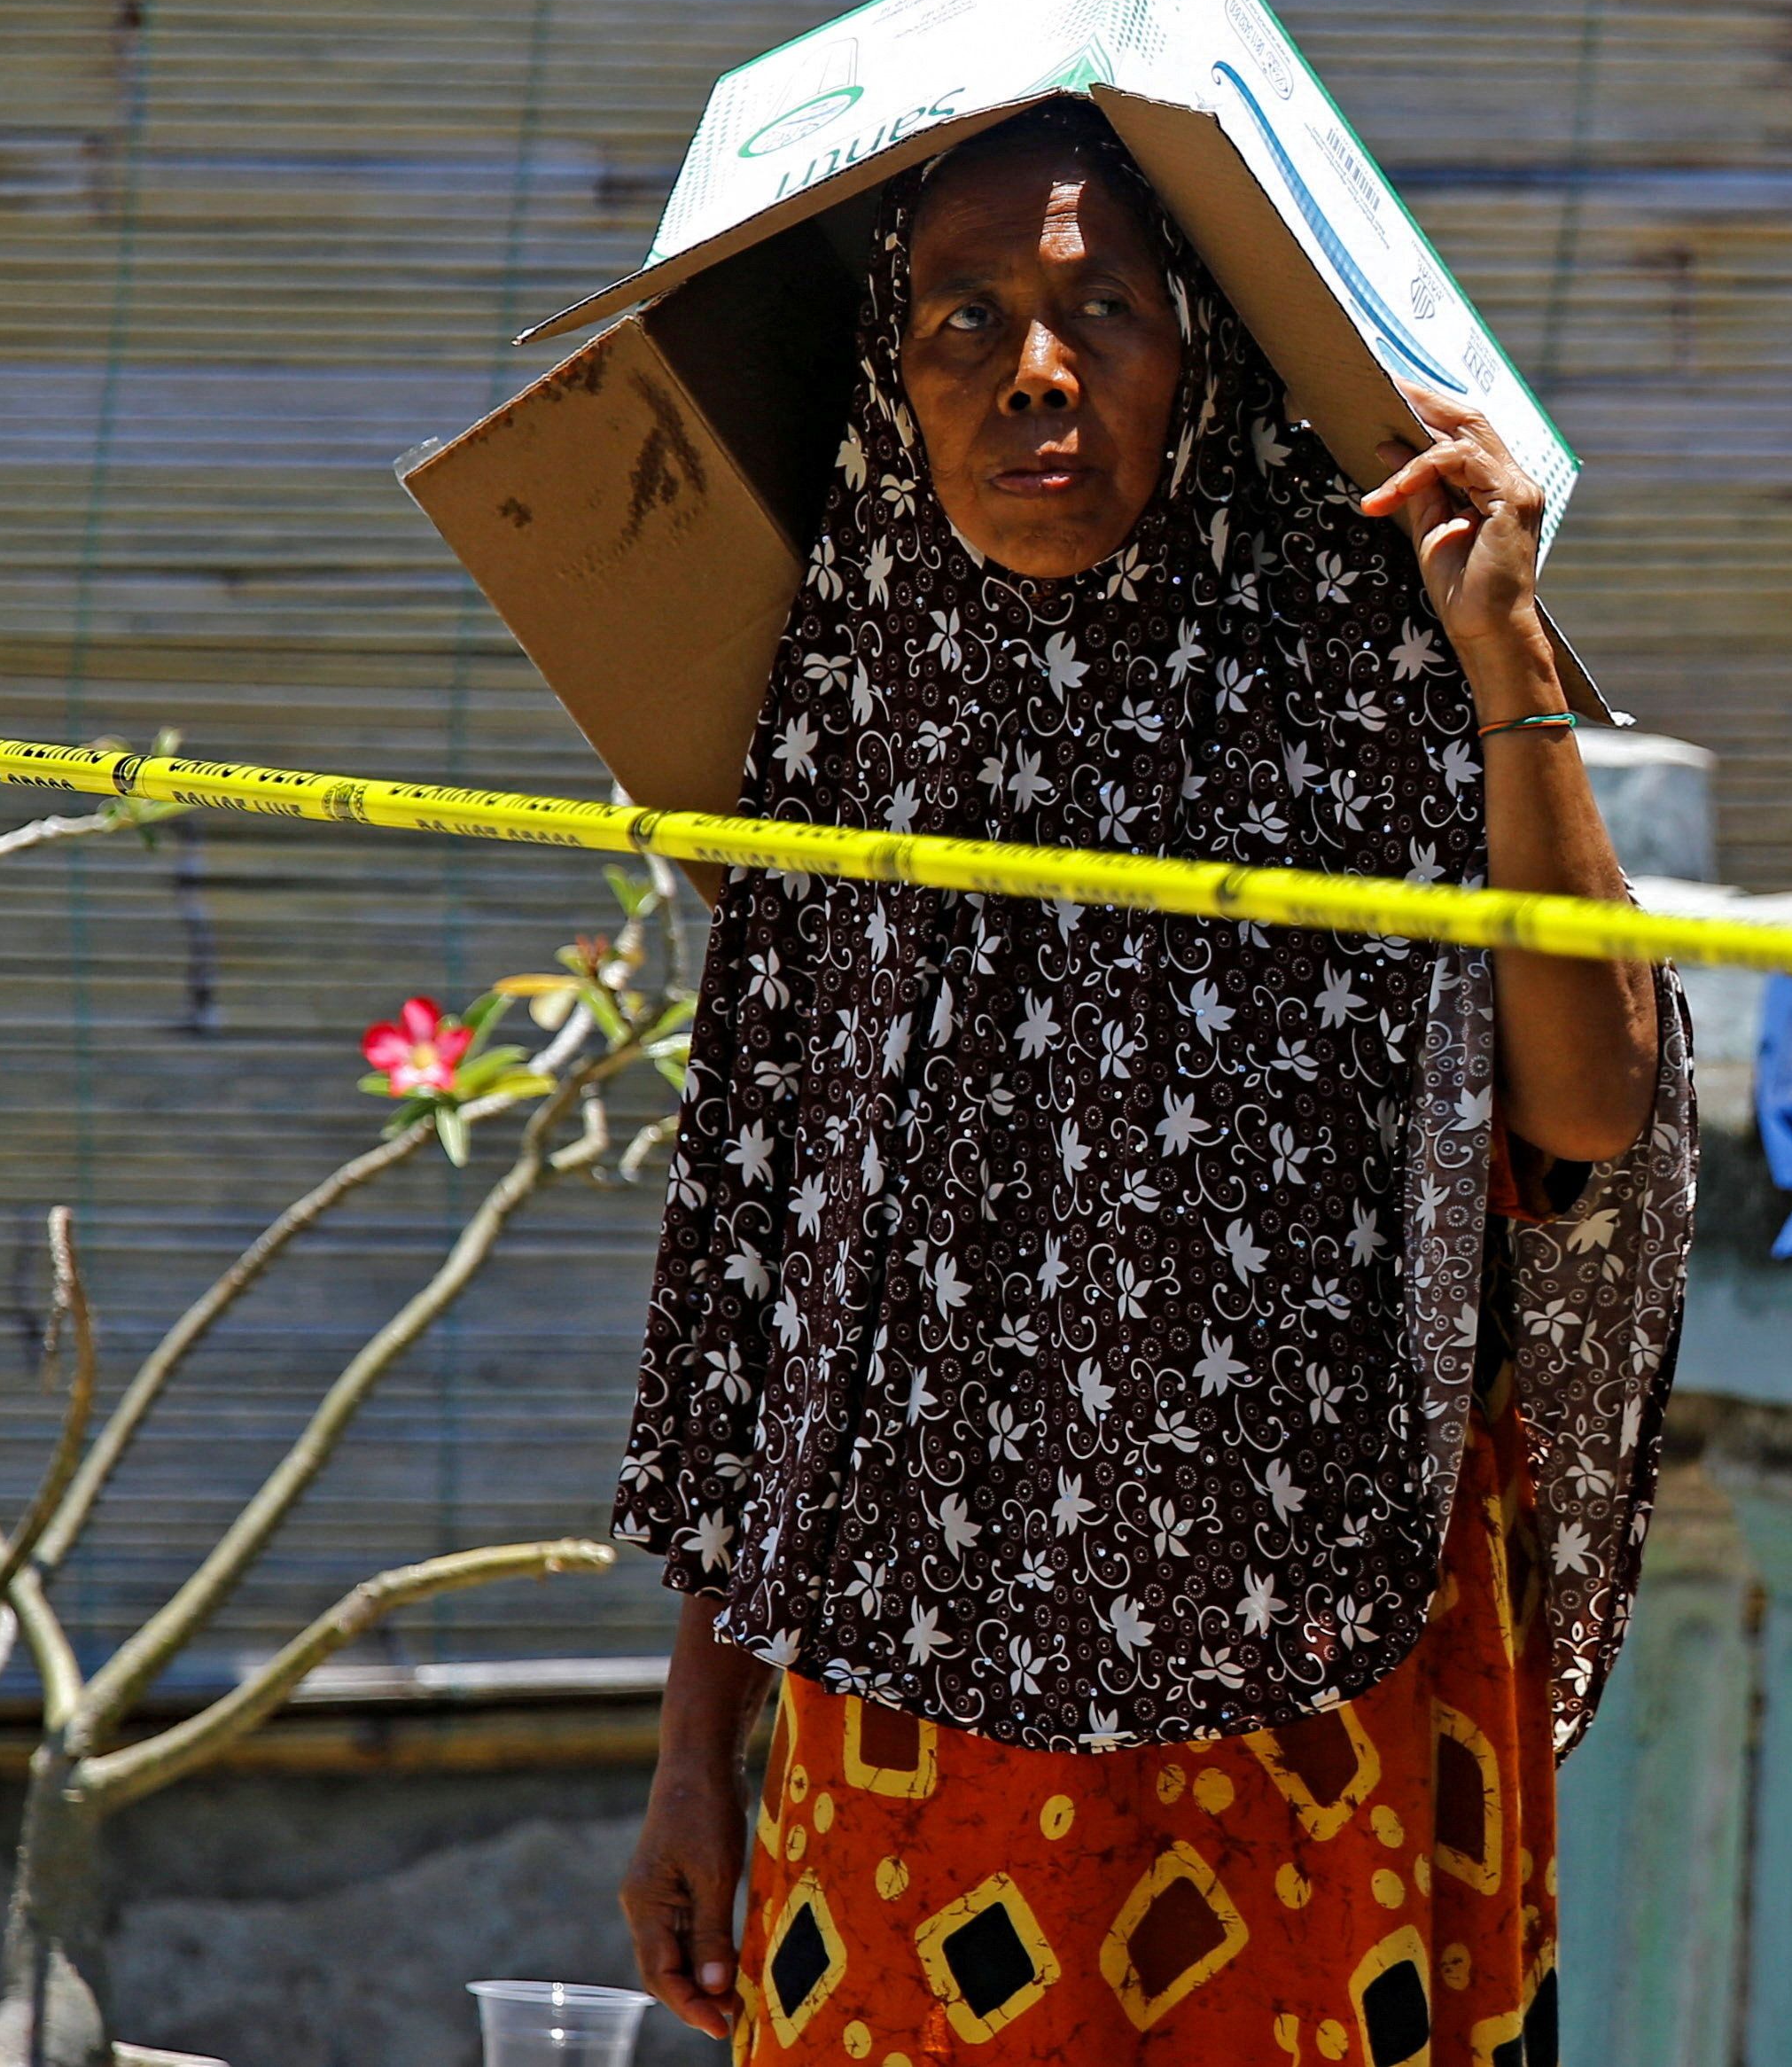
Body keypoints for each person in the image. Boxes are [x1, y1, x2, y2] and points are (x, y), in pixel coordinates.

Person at [611, 101, 1693, 2065]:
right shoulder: (865, 733)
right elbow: (786, 1285)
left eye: (1101, 305)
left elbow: (1591, 1114)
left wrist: (1506, 660)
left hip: (1321, 1688)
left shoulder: (1362, 696)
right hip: (914, 1697)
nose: (1033, 370)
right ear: (894, 383)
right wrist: (698, 1750)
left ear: (1200, 355)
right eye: (963, 318)